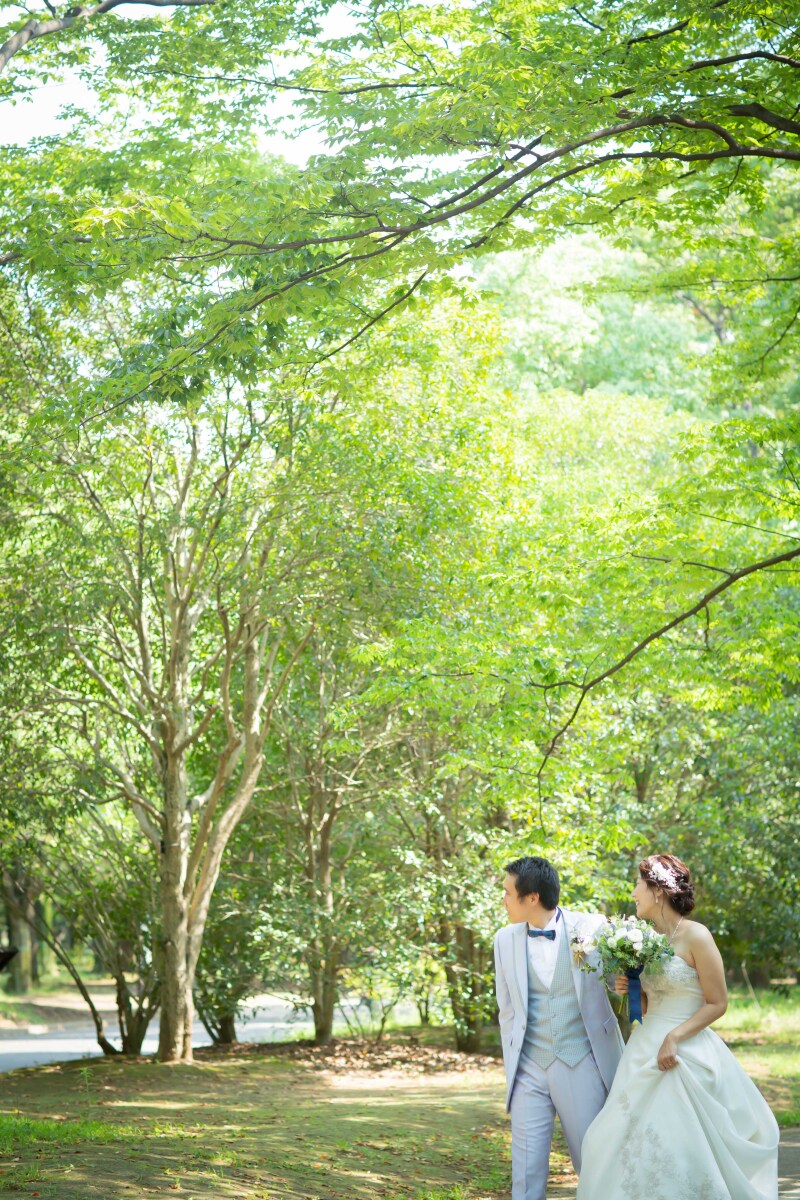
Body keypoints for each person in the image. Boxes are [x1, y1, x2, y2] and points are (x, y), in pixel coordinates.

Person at [577, 853, 779, 1200]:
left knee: (682, 1146)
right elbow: (652, 998)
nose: (634, 893)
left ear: (657, 890)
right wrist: (629, 986)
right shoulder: (644, 939)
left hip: (685, 1047)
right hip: (643, 1048)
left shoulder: (696, 936)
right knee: (615, 1141)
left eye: (638, 885)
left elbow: (718, 1002)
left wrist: (674, 1037)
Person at [494, 855, 624, 1200]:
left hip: (579, 1059)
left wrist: (625, 981)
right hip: (528, 1068)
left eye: (508, 893)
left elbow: (615, 979)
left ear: (532, 898)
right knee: (525, 1168)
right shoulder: (503, 940)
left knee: (593, 1161)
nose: (503, 900)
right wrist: (515, 1066)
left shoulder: (592, 927)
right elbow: (506, 1011)